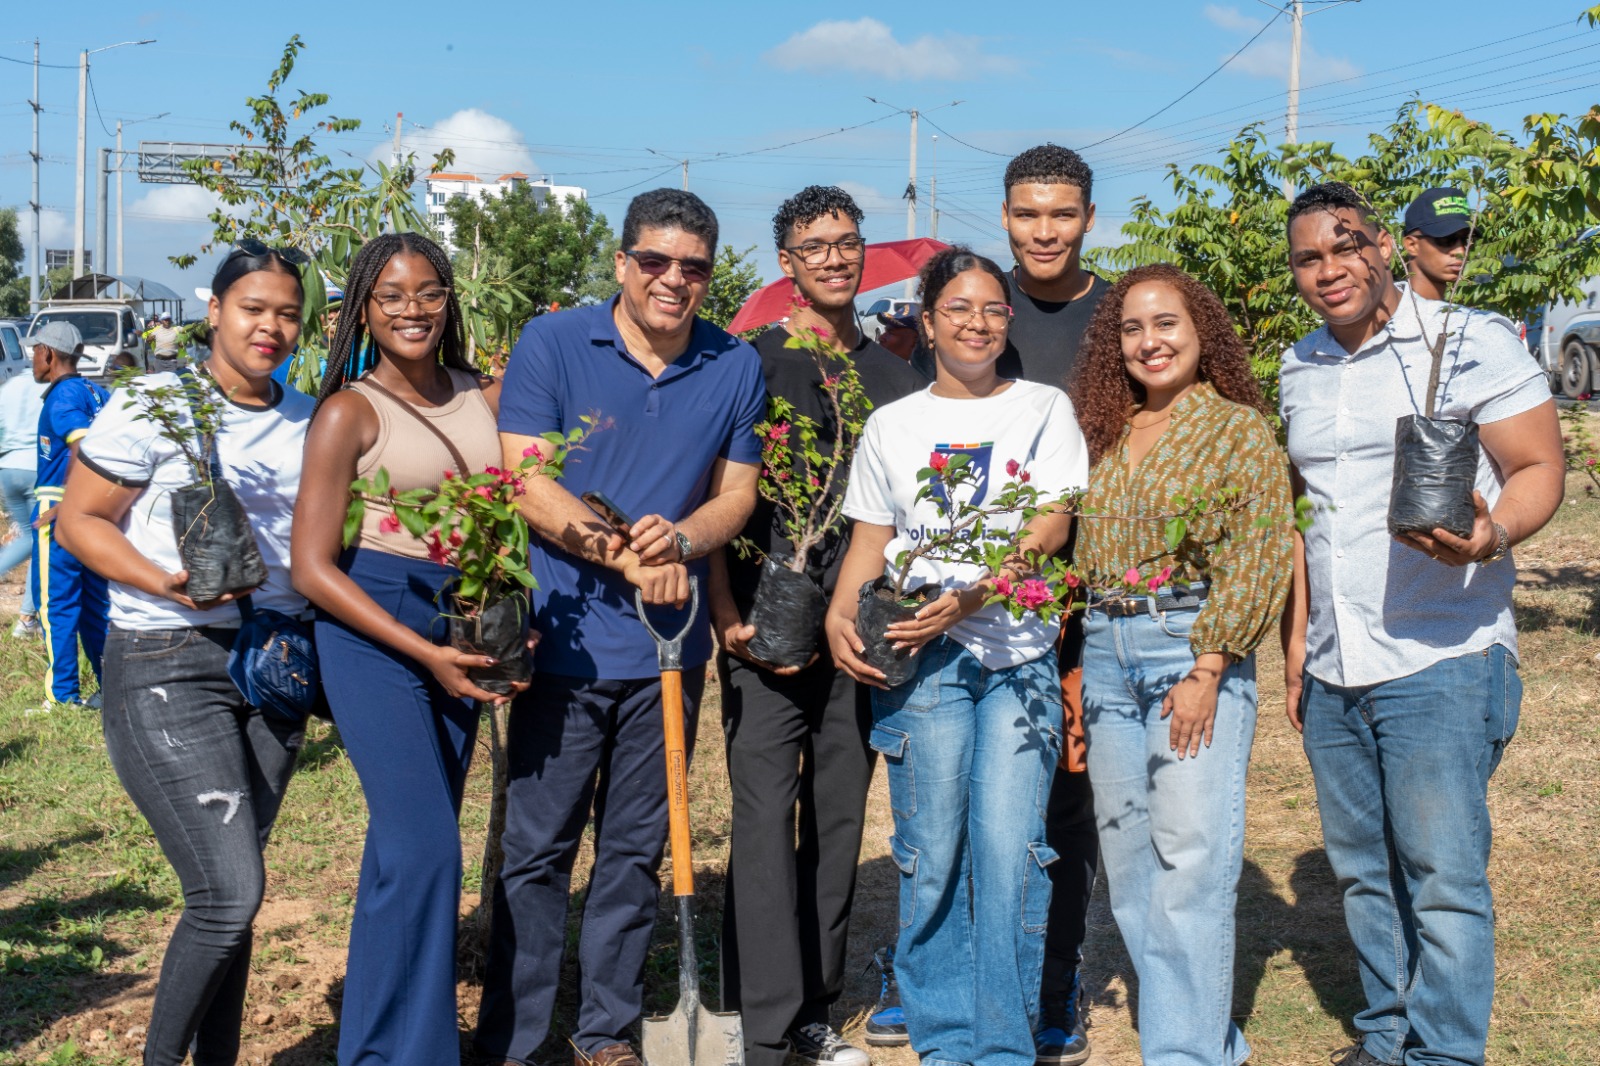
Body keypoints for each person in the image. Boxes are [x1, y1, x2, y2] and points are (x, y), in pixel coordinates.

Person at [476, 189, 765, 1066]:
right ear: (621, 263)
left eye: (693, 267)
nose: (673, 280)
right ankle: (515, 1039)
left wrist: (679, 538)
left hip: (667, 652)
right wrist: (618, 551)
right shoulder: (555, 343)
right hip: (559, 643)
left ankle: (606, 1031)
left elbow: (737, 495)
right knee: (536, 853)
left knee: (636, 852)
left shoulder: (734, 364)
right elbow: (524, 480)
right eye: (655, 261)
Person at [1280, 182, 1564, 1066]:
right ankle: (1385, 1033)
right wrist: (1297, 645)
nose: (1331, 269)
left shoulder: (1469, 341)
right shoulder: (1299, 364)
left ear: (1385, 246)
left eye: (1346, 245)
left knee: (1441, 879)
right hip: (1334, 661)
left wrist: (1495, 531)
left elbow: (1538, 466)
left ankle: (1443, 1052)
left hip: (1440, 651)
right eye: (1309, 258)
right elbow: (1305, 509)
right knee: (1363, 872)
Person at [825, 245, 1088, 1066]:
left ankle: (1005, 1045)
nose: (976, 322)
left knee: (1010, 852)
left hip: (1017, 659)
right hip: (918, 663)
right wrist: (840, 613)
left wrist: (979, 594)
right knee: (931, 852)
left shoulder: (1044, 408)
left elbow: (1051, 527)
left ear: (1007, 322)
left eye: (992, 309)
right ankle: (944, 1037)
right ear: (927, 323)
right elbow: (873, 538)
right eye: (958, 309)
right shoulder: (891, 426)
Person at [52, 244, 313, 1066]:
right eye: (253, 308)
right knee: (228, 893)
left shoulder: (309, 416)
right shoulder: (155, 404)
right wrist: (165, 583)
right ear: (214, 311)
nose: (270, 327)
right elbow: (81, 521)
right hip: (166, 657)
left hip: (272, 662)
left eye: (287, 313)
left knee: (231, 896)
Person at [712, 186, 923, 1066]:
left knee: (838, 818)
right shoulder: (750, 363)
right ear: (787, 262)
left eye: (846, 242)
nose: (834, 257)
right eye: (814, 245)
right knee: (764, 817)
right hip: (765, 630)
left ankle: (812, 1005)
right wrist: (724, 612)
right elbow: (718, 496)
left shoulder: (897, 377)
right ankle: (758, 1021)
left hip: (858, 632)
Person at [292, 232, 510, 1066]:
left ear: (450, 300)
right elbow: (311, 567)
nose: (411, 308)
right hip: (371, 634)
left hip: (460, 624)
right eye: (390, 295)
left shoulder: (481, 394)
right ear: (362, 310)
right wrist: (421, 655)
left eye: (427, 292)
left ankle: (376, 1051)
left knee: (398, 856)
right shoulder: (350, 409)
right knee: (426, 850)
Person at [1069, 264, 1292, 1066]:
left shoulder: (1235, 428)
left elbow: (1261, 552)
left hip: (1188, 644)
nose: (1150, 342)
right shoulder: (1105, 430)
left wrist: (1208, 667)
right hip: (1105, 648)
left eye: (1166, 325)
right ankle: (1187, 1033)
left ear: (1202, 334)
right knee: (1130, 866)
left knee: (1191, 857)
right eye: (1131, 328)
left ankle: (1187, 1054)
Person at [26, 321, 109, 710]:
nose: (32, 359)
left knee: (56, 602)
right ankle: (112, 684)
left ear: (48, 354)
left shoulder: (62, 396)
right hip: (99, 508)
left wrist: (67, 502)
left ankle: (62, 696)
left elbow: (83, 443)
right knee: (95, 603)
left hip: (61, 504)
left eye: (34, 351)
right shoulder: (97, 390)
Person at [0, 367, 47, 638]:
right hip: (35, 469)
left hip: (8, 469)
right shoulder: (47, 388)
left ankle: (28, 618)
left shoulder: (9, 389)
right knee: (37, 542)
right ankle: (27, 618)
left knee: (31, 538)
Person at [1401, 187, 1472, 302]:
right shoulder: (1382, 315)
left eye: (1466, 241)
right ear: (1412, 245)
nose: (1460, 252)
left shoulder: (1466, 318)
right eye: (1446, 239)